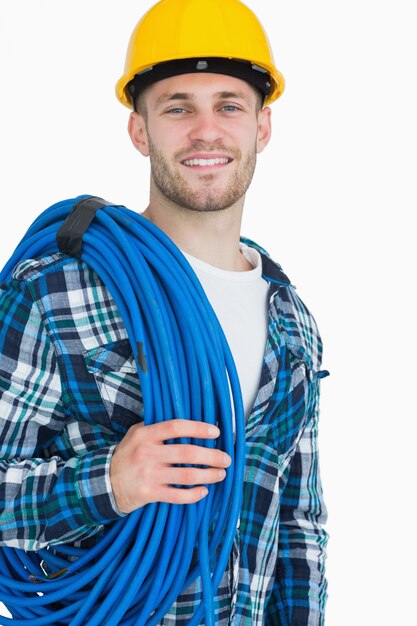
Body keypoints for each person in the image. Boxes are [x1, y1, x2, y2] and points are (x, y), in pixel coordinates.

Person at [0, 0, 328, 623]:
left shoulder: (294, 322)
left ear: (262, 127)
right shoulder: (56, 293)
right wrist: (110, 484)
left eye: (229, 105)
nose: (206, 131)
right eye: (178, 107)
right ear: (140, 130)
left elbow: (298, 528)